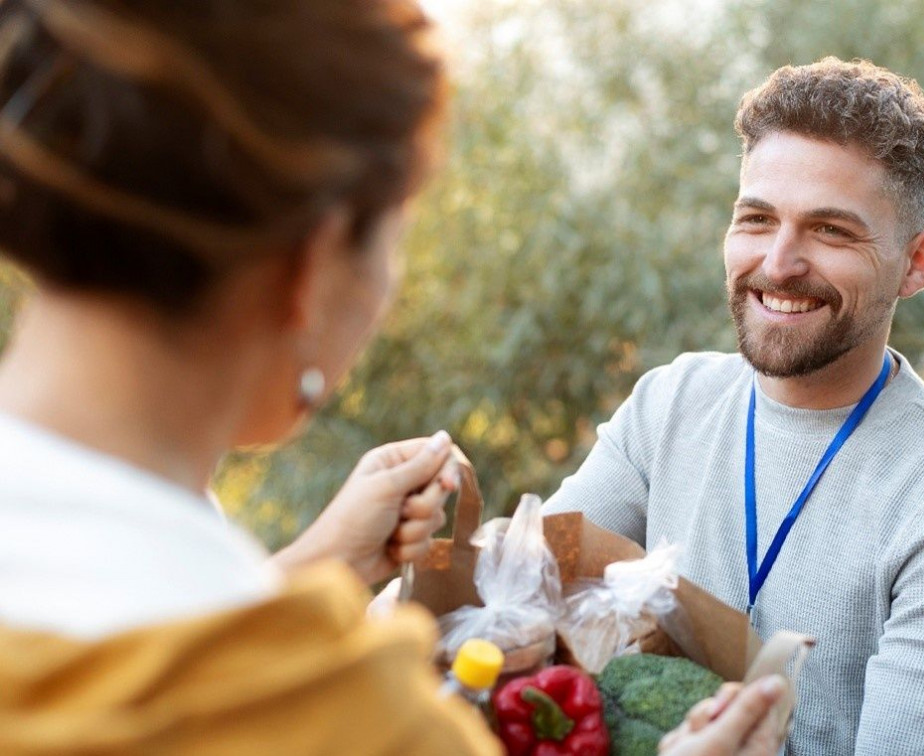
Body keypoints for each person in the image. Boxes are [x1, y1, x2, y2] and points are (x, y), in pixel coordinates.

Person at [0, 1, 782, 754]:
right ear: (315, 257)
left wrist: (319, 564)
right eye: (395, 236)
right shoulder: (349, 719)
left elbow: (159, 630)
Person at [543, 58, 924, 755]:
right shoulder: (669, 403)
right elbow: (528, 587)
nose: (779, 263)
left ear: (917, 264)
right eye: (757, 218)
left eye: (831, 231)